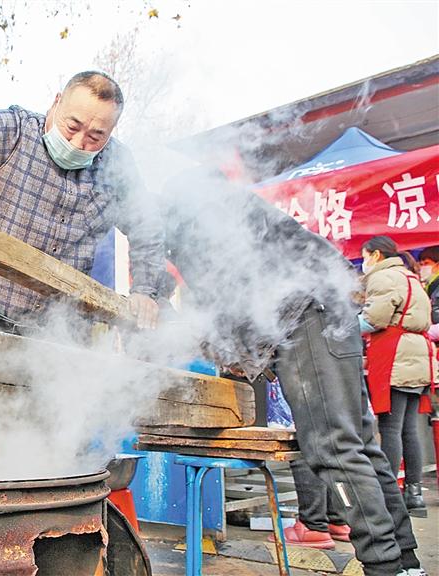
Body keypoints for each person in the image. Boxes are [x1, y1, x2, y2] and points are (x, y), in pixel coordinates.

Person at [161, 168, 426, 576]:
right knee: (361, 447)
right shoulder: (225, 209)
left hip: (305, 317)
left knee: (333, 448)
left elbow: (227, 298)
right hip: (327, 311)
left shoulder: (200, 217)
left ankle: (385, 568)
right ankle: (406, 564)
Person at [0, 71, 166, 330]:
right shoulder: (16, 131)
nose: (77, 143)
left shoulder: (117, 166)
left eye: (96, 137)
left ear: (111, 132)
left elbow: (147, 226)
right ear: (56, 102)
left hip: (58, 335)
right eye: (72, 126)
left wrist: (144, 291)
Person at [361, 236, 437, 518]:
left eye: (365, 256)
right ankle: (413, 494)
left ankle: (388, 493)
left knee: (390, 427)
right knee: (409, 429)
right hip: (417, 357)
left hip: (397, 357)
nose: (364, 262)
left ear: (377, 255)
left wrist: (341, 326)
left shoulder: (384, 278)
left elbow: (374, 319)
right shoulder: (411, 277)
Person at [417, 245, 439, 342]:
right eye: (421, 264)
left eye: (426, 263)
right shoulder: (429, 286)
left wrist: (427, 333)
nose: (423, 268)